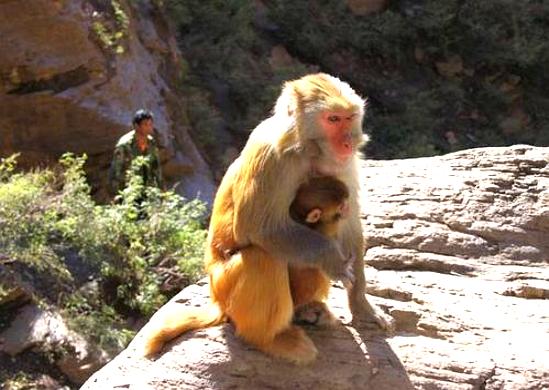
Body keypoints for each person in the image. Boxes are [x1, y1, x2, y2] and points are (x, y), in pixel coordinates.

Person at [109, 109, 163, 195]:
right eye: (145, 124)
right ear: (136, 126)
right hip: (128, 191)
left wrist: (162, 191)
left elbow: (156, 168)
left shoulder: (151, 142)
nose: (149, 127)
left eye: (150, 124)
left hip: (147, 191)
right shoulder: (124, 145)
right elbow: (115, 172)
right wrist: (116, 195)